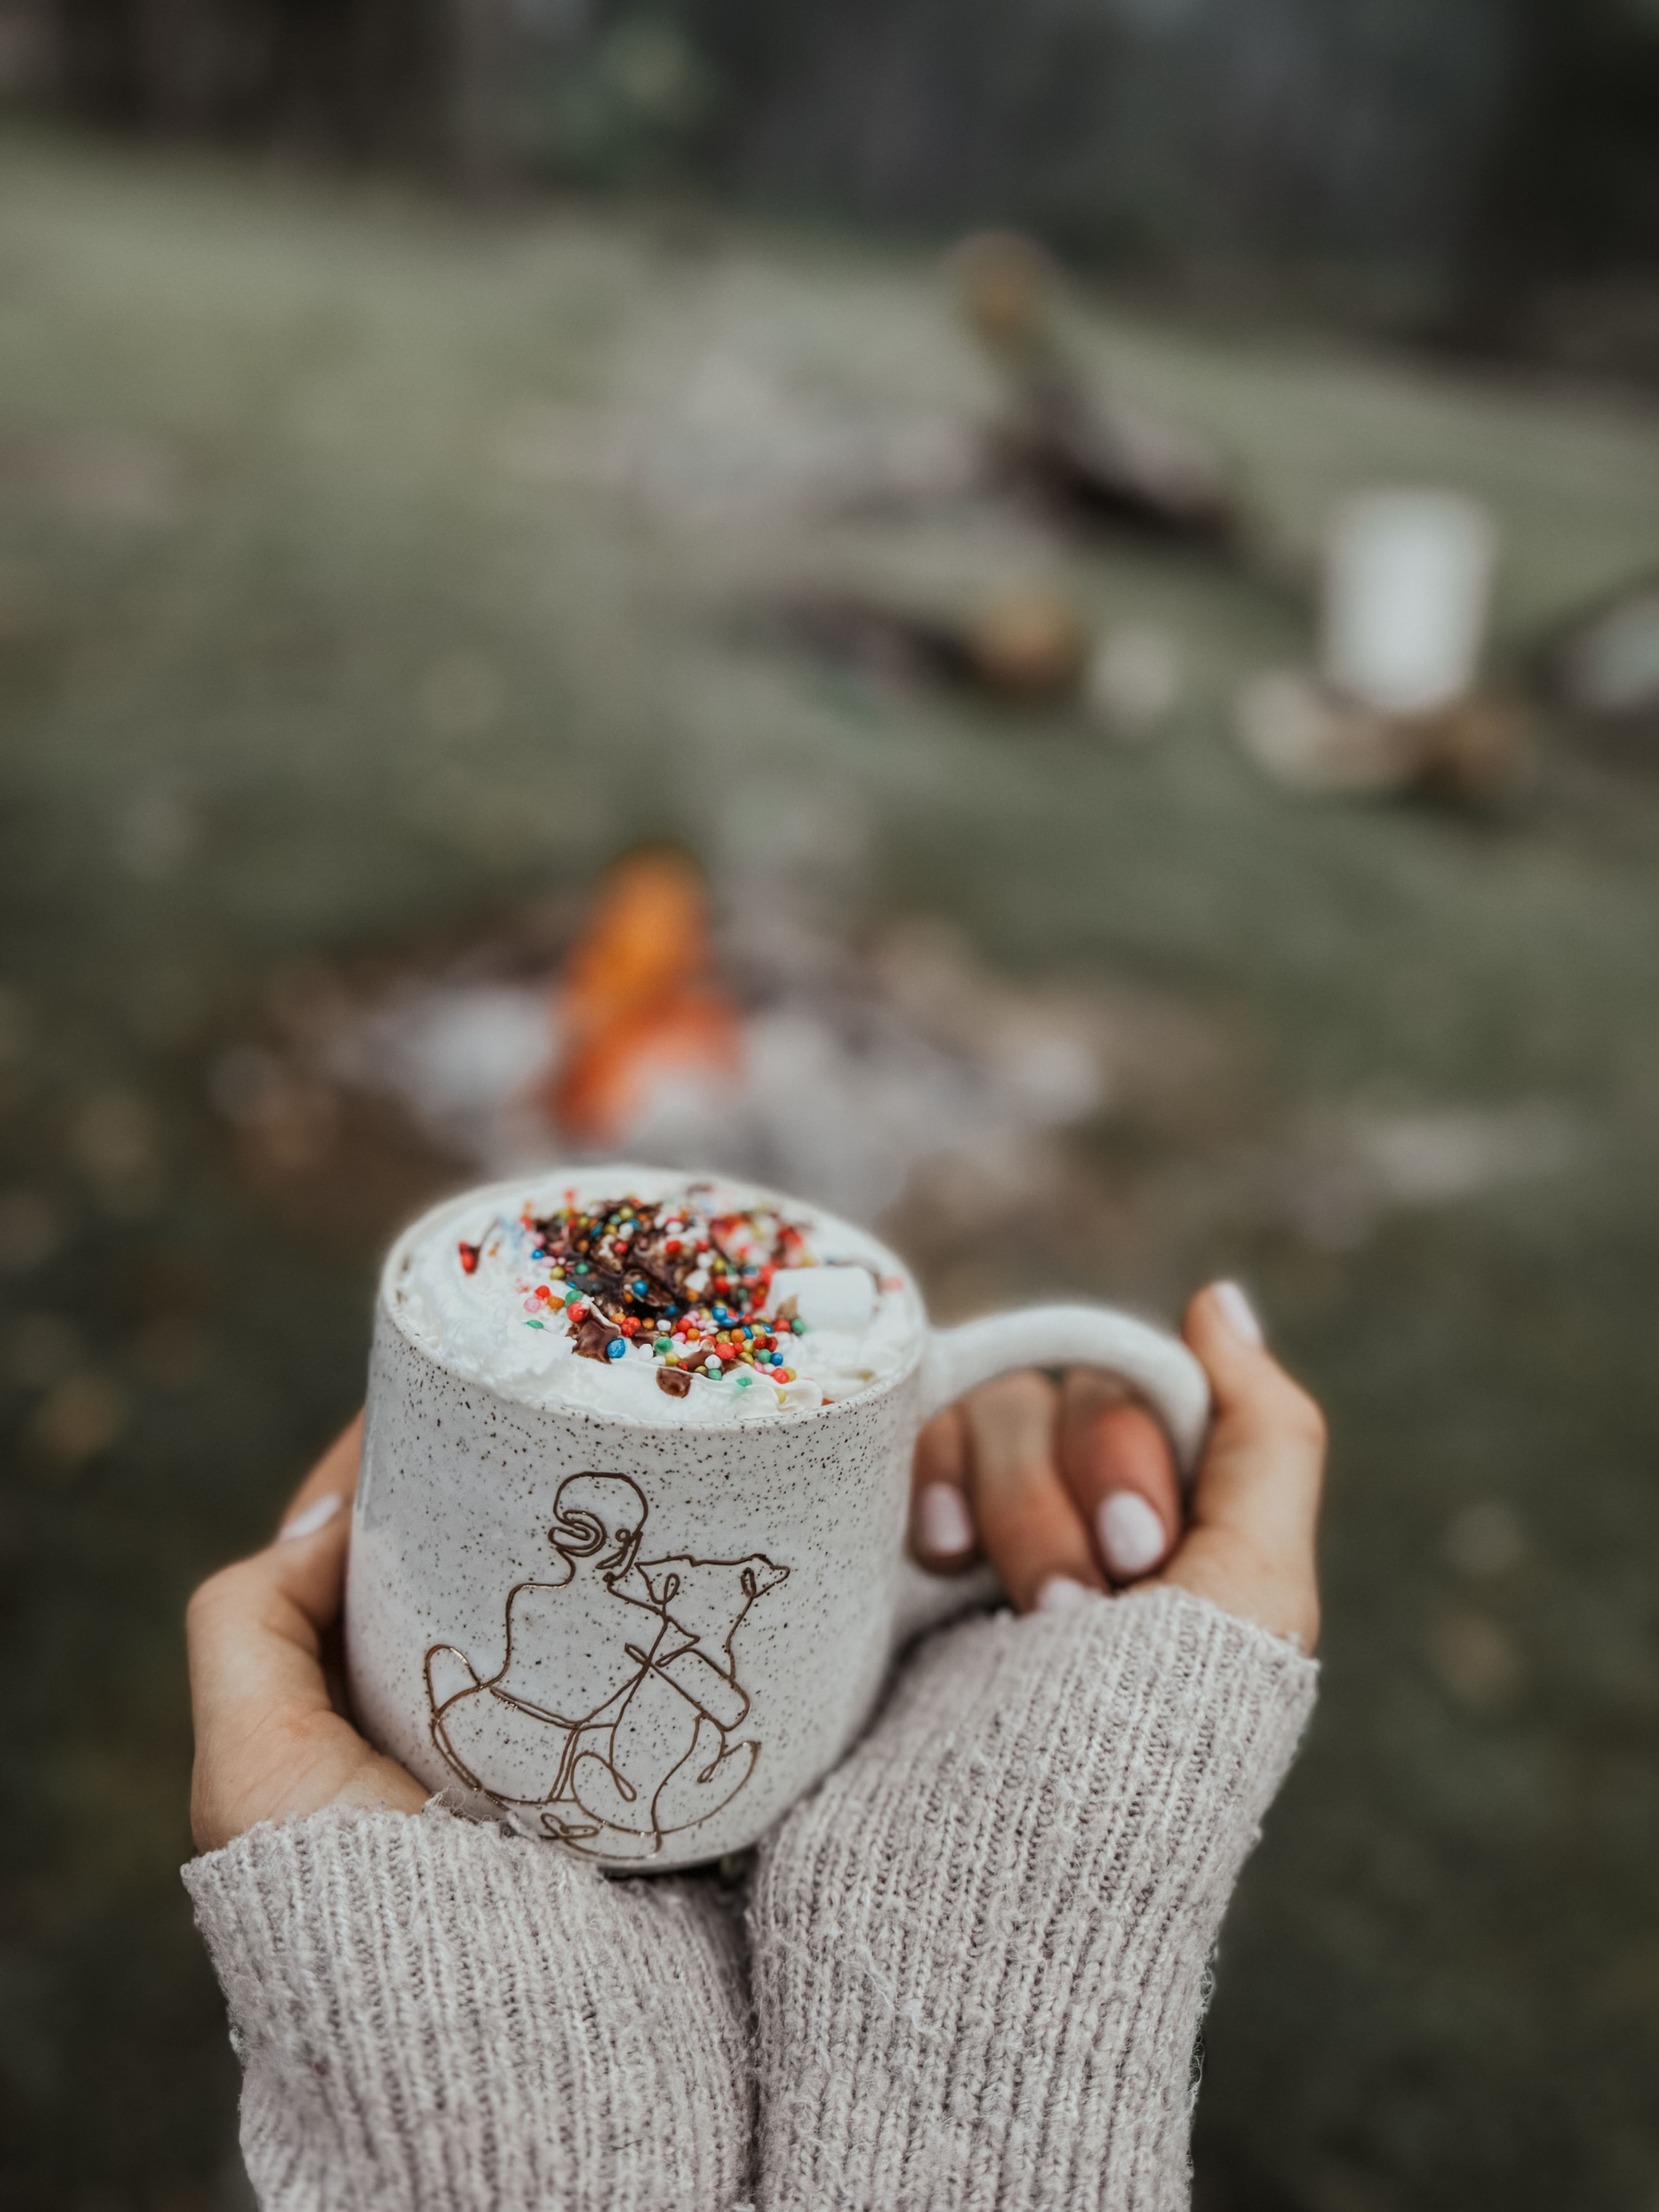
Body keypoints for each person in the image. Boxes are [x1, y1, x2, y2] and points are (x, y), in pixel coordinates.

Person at [184, 1281, 1325, 2211]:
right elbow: (697, 1685)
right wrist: (1002, 2013)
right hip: (552, 1752)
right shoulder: (630, 1613)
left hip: (482, 1723)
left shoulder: (538, 1589)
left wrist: (504, 2129)